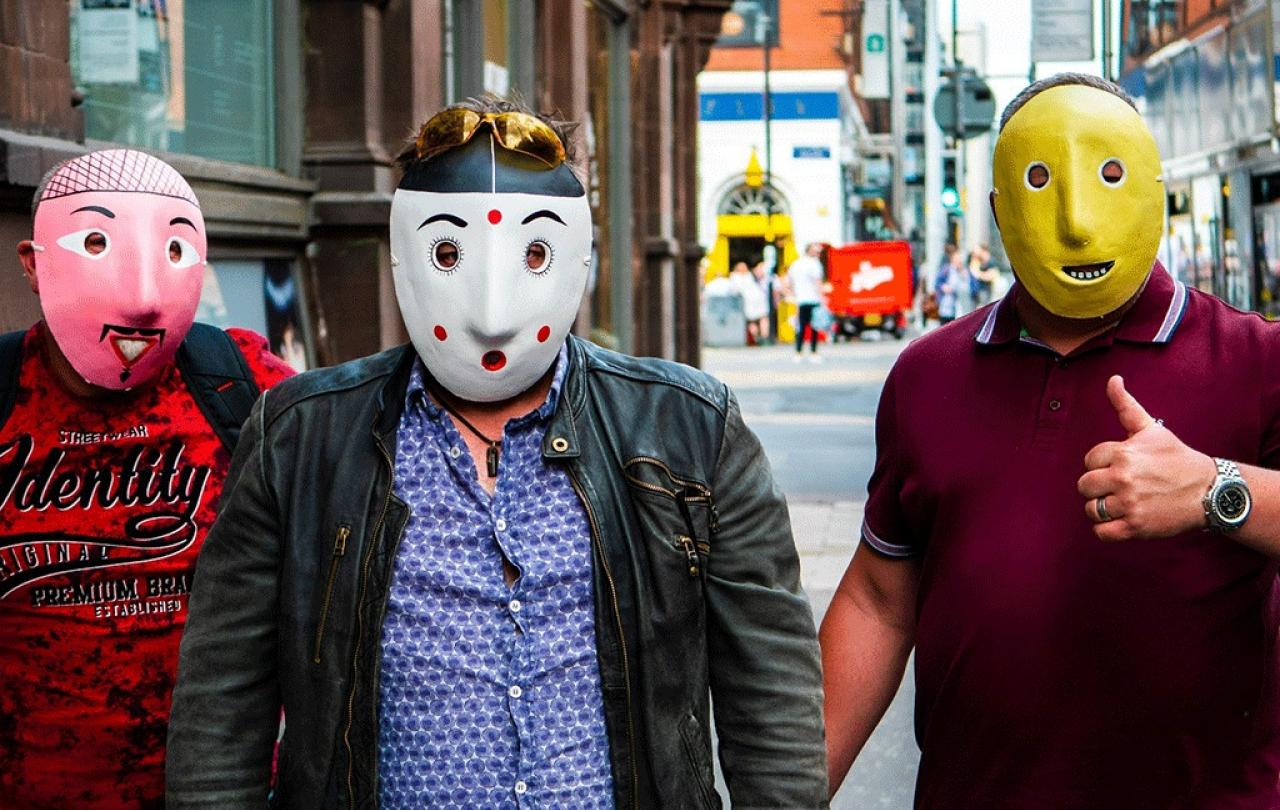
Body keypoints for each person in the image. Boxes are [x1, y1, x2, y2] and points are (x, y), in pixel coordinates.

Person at [166, 97, 827, 809]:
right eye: (447, 254)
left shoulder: (689, 430)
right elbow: (222, 709)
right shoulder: (301, 438)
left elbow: (771, 693)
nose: (490, 308)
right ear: (405, 253)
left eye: (534, 253)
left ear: (577, 256)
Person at [822, 72, 1280, 808]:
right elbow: (880, 600)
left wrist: (1216, 490)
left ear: (1152, 189)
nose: (1075, 220)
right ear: (1001, 213)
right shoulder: (926, 376)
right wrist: (789, 791)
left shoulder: (1256, 359)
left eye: (1108, 174)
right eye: (1040, 181)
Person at [0, 149, 294, 808]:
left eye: (175, 251)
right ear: (32, 263)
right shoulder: (5, 392)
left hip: (214, 788)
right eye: (97, 242)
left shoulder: (238, 380)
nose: (139, 296)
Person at [788, 242, 826, 361]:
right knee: (815, 326)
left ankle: (798, 352)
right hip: (813, 298)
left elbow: (790, 282)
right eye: (817, 252)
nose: (819, 254)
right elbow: (818, 282)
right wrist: (822, 298)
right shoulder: (815, 264)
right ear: (810, 251)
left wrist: (794, 295)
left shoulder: (796, 264)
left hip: (800, 299)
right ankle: (813, 353)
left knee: (801, 327)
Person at [933, 242, 973, 324]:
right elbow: (937, 283)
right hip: (947, 308)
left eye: (960, 260)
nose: (959, 262)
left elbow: (973, 288)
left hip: (962, 309)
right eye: (957, 259)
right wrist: (943, 287)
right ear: (952, 260)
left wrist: (966, 278)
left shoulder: (966, 272)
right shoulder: (947, 270)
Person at [730, 260, 768, 345]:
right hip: (758, 296)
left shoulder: (734, 276)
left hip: (748, 300)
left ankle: (757, 337)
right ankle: (764, 337)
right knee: (762, 318)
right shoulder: (749, 275)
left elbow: (734, 291)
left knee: (751, 321)